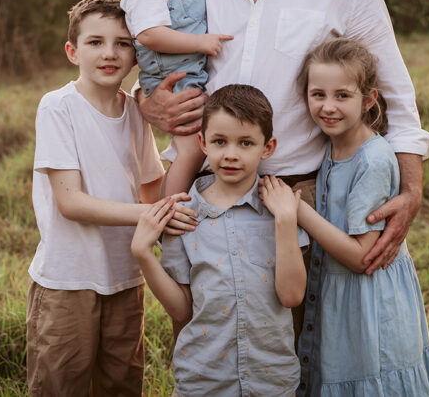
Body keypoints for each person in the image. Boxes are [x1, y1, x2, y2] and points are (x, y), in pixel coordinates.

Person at [140, 0, 429, 274]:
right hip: (205, 199)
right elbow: (150, 68)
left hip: (304, 200)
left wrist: (410, 191)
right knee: (204, 335)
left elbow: (396, 98)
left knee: (297, 338)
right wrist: (150, 105)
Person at [26, 0, 195, 397]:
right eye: (95, 42)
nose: (110, 53)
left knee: (121, 384)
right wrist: (153, 215)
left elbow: (151, 187)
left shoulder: (136, 113)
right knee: (60, 385)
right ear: (73, 51)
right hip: (68, 281)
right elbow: (71, 203)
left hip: (124, 278)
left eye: (123, 43)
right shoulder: (58, 107)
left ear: (137, 55)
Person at [262, 37, 429, 396]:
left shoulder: (372, 159)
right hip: (341, 298)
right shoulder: (331, 148)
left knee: (372, 379)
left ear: (368, 98)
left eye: (342, 96)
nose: (328, 107)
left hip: (370, 302)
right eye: (318, 95)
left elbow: (362, 257)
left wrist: (296, 209)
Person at [131, 84, 309, 396]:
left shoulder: (279, 208)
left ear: (267, 147)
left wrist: (285, 220)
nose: (231, 154)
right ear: (203, 142)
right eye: (219, 141)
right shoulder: (184, 216)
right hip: (204, 379)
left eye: (245, 143)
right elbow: (182, 311)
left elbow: (292, 296)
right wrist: (143, 254)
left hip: (271, 381)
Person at [121, 0, 233, 197]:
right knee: (191, 150)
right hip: (171, 80)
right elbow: (149, 34)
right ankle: (167, 212)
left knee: (201, 147)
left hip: (190, 77)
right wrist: (200, 43)